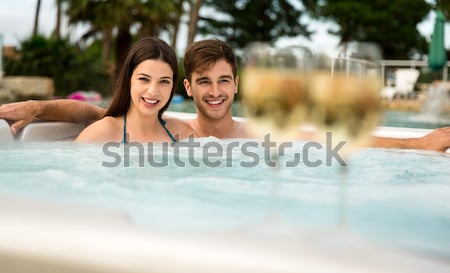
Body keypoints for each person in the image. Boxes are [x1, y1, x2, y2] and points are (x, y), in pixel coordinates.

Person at [1, 38, 450, 151]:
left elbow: (328, 140)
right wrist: (42, 107)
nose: (215, 92)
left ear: (237, 85)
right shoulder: (177, 130)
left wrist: (418, 143)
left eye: (224, 81)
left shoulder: (228, 135)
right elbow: (104, 117)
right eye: (204, 82)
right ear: (189, 88)